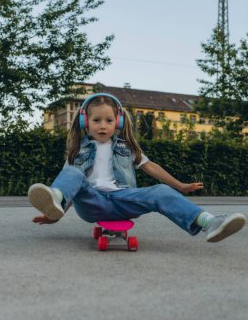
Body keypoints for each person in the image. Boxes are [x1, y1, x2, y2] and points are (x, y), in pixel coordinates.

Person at [28, 93, 246, 243]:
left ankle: (210, 223)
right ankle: (54, 198)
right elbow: (72, 186)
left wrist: (180, 185)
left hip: (125, 199)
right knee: (72, 172)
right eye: (96, 120)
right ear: (86, 122)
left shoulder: (126, 146)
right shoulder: (78, 150)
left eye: (109, 120)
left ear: (118, 123)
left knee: (160, 191)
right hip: (92, 202)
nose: (103, 125)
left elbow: (151, 167)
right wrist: (54, 213)